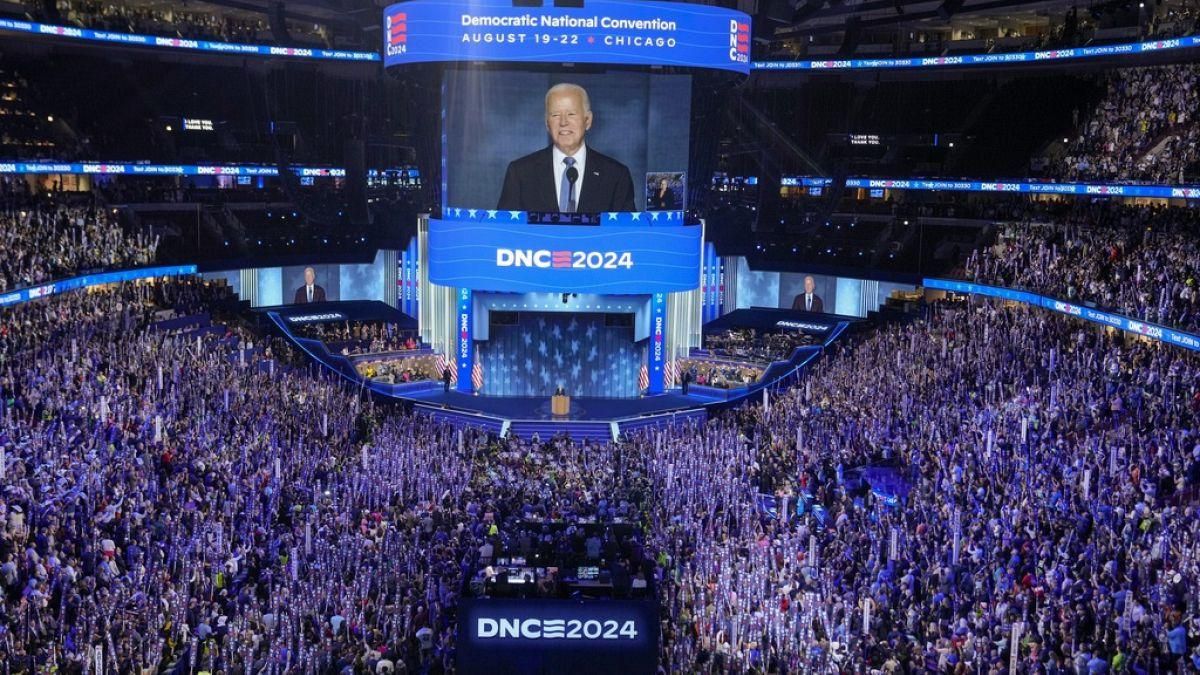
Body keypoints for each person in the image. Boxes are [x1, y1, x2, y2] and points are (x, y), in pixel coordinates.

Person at [497, 83, 636, 213]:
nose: (563, 122)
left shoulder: (616, 175)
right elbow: (505, 231)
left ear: (588, 120)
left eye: (571, 114)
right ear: (547, 124)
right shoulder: (520, 173)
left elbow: (626, 234)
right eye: (555, 115)